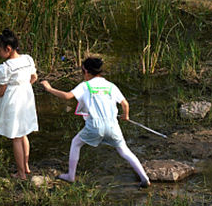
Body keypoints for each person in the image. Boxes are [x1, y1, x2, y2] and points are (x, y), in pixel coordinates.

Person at [40, 56, 150, 187]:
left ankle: (70, 176)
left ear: (86, 71)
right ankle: (145, 179)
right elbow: (125, 104)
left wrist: (49, 88)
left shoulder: (85, 86)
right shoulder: (110, 86)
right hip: (112, 125)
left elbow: (67, 96)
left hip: (95, 126)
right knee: (124, 151)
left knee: (75, 143)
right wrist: (125, 116)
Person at [0, 30, 38, 180]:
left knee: (16, 137)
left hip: (14, 101)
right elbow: (34, 77)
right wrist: (24, 86)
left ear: (8, 49)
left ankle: (21, 174)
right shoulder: (28, 59)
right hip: (27, 97)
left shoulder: (6, 67)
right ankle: (26, 167)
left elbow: (1, 91)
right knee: (23, 133)